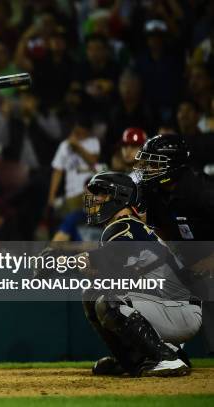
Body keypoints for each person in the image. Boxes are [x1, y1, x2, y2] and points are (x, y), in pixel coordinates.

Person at [81, 171, 201, 377]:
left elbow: (102, 260)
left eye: (102, 193)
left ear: (118, 197)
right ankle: (136, 360)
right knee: (93, 294)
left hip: (179, 308)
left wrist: (57, 262)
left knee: (109, 301)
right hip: (170, 306)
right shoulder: (127, 226)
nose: (97, 199)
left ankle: (166, 359)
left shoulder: (126, 225)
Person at [134, 133, 214, 354]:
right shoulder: (153, 191)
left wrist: (207, 264)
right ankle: (162, 352)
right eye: (147, 162)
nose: (148, 168)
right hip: (186, 261)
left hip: (207, 261)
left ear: (173, 165)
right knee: (146, 287)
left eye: (154, 163)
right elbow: (159, 229)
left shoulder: (203, 193)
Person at [48, 115, 100, 216]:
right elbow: (57, 171)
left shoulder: (93, 142)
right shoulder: (64, 145)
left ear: (87, 131)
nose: (79, 133)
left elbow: (93, 161)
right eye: (77, 130)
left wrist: (78, 147)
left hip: (90, 193)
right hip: (72, 194)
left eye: (82, 131)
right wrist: (51, 196)